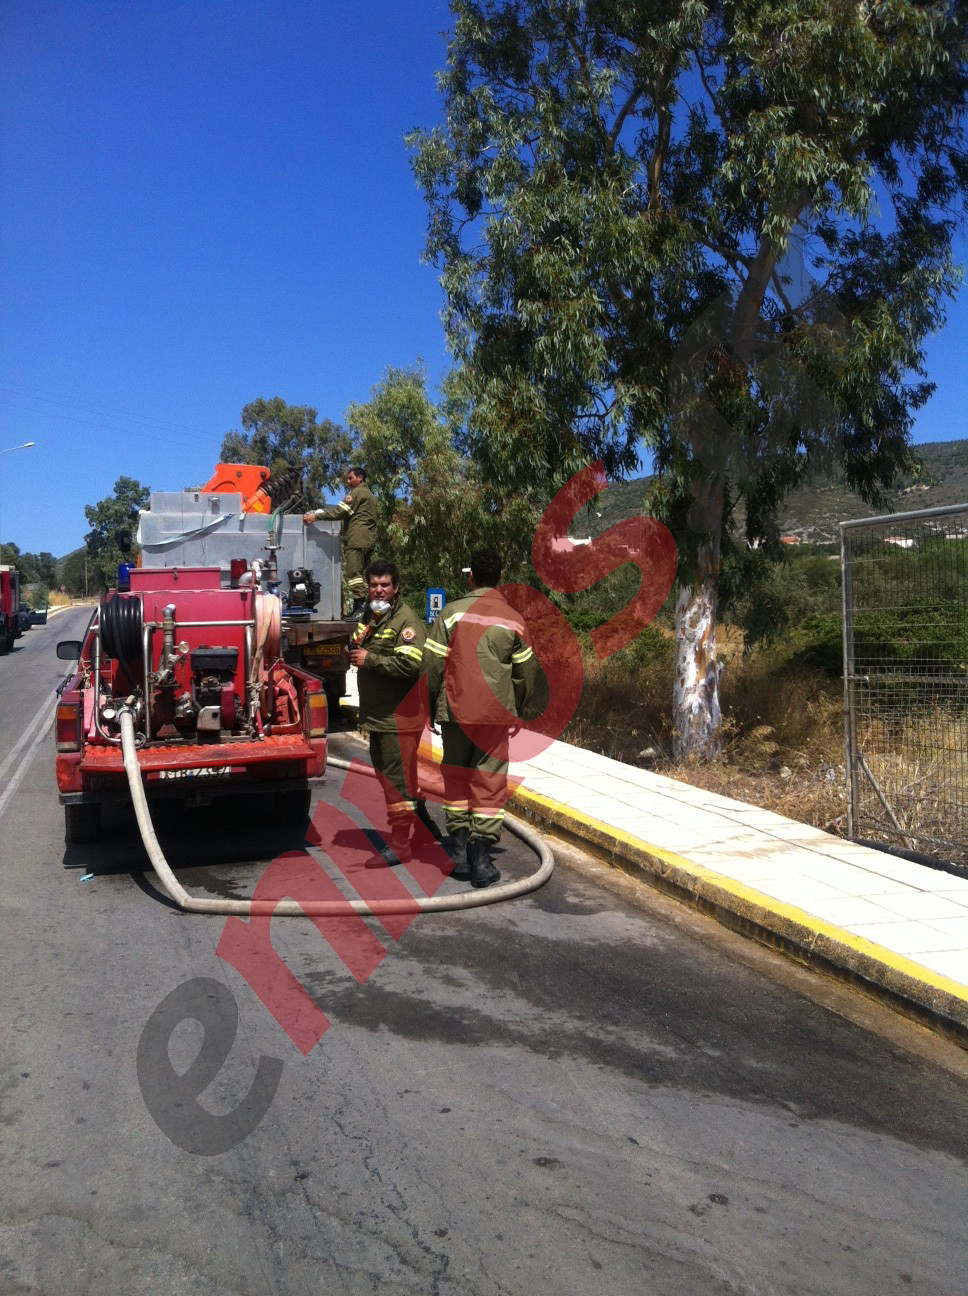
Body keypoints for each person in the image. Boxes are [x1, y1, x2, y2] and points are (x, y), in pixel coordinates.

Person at [424, 549, 536, 888]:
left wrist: (430, 705)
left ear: (471, 576)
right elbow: (525, 673)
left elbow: (431, 667)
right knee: (489, 781)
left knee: (456, 776)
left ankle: (458, 850)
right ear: (499, 579)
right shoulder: (514, 619)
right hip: (494, 714)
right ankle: (482, 859)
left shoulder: (450, 613)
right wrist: (516, 707)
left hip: (455, 711)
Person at [348, 559, 428, 865]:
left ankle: (400, 845)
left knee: (397, 781)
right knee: (392, 778)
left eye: (384, 585)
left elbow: (411, 665)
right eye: (373, 585)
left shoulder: (406, 622)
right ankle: (419, 831)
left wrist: (370, 660)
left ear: (396, 588)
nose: (378, 590)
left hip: (399, 718)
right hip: (380, 715)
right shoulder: (373, 616)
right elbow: (358, 643)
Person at [303, 466, 376, 621]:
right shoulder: (369, 494)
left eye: (350, 478)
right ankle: (363, 607)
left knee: (353, 574)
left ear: (360, 477)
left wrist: (316, 516)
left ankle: (361, 607)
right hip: (367, 540)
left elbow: (339, 512)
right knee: (363, 574)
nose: (348, 482)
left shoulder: (356, 493)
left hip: (356, 540)